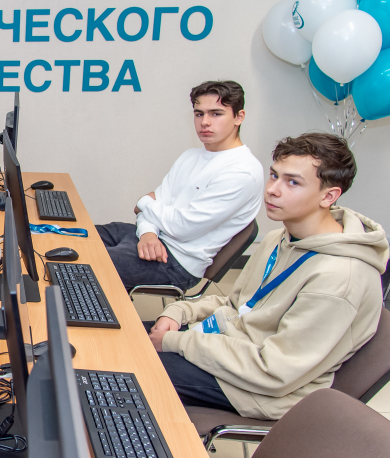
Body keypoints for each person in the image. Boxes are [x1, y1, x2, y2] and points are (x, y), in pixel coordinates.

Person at [148, 133, 388, 420]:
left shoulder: (339, 278)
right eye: (274, 175)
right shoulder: (280, 237)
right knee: (118, 338)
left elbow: (275, 371)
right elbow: (237, 305)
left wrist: (176, 342)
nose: (273, 190)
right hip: (228, 347)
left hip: (257, 388)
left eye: (293, 182)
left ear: (328, 196)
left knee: (124, 368)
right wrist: (178, 313)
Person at [97, 80, 263, 292]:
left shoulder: (242, 171)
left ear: (239, 117)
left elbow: (180, 228)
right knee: (70, 237)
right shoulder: (191, 156)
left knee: (83, 262)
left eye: (216, 114)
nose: (205, 122)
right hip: (150, 237)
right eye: (199, 114)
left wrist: (143, 201)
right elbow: (157, 205)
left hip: (176, 261)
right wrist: (148, 233)